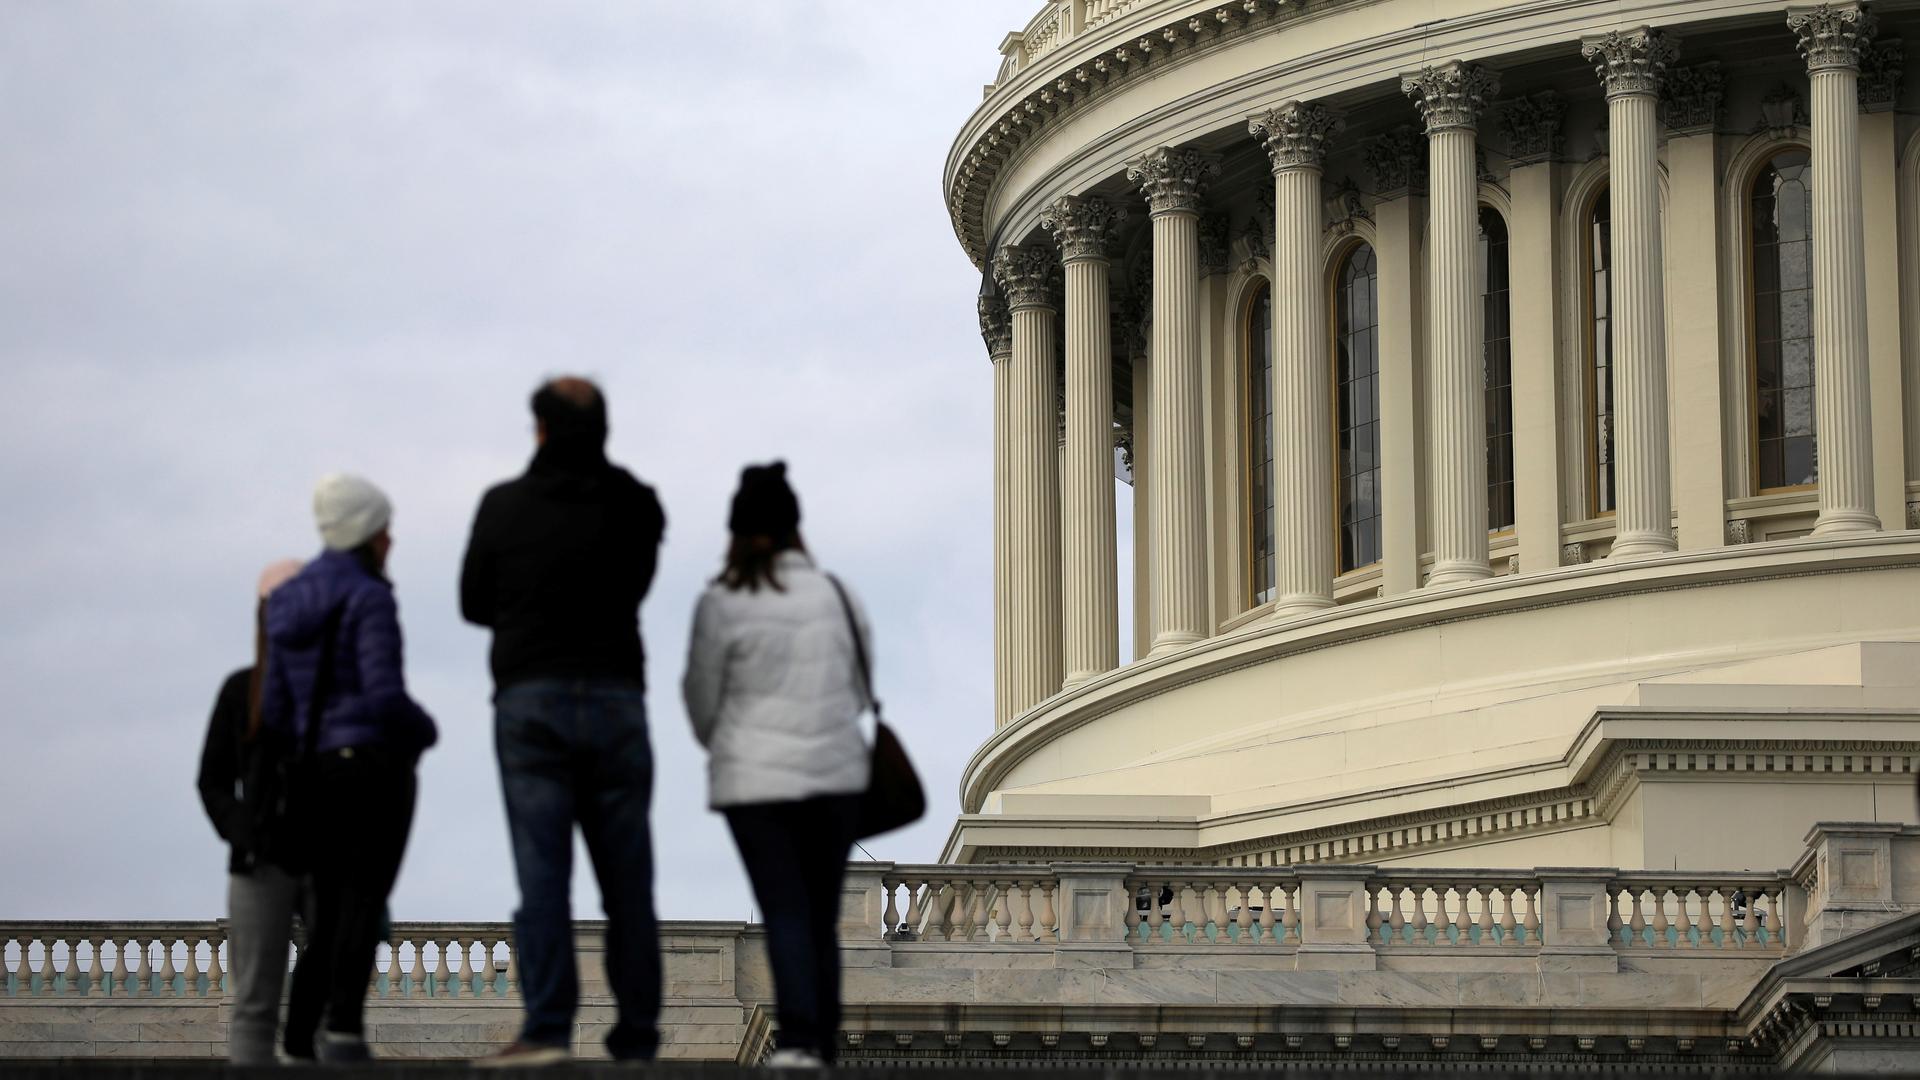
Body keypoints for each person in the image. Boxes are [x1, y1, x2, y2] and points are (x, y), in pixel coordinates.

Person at [460, 377, 667, 1066]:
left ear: (540, 431)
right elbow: (637, 583)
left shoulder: (502, 506)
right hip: (615, 696)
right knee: (628, 880)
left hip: (530, 698)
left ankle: (548, 1027)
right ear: (604, 430)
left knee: (543, 874)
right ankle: (636, 1032)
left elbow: (472, 601)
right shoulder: (637, 505)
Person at [682, 462, 872, 1069]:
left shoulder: (722, 601)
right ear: (795, 528)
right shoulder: (835, 594)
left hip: (757, 777)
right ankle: (820, 1042)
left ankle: (798, 1043)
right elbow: (862, 686)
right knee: (821, 911)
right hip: (834, 774)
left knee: (785, 905)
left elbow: (700, 699)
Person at [263, 473, 438, 1063]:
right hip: (371, 767)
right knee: (364, 899)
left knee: (329, 906)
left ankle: (297, 1036)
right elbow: (385, 696)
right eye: (385, 530)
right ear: (367, 532)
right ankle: (343, 1029)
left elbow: (276, 710)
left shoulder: (286, 603)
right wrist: (425, 731)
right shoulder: (370, 596)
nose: (391, 542)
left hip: (312, 772)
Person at [195, 558, 306, 1064]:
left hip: (327, 862)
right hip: (259, 861)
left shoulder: (344, 692)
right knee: (254, 1007)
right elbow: (212, 780)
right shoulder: (241, 690)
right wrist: (245, 832)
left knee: (329, 1008)